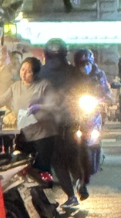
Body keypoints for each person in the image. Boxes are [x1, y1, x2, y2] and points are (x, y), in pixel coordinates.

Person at [37, 38, 86, 207]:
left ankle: (73, 193)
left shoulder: (42, 72)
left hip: (54, 123)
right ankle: (79, 184)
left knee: (59, 160)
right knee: (70, 156)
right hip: (66, 122)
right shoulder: (72, 72)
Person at [0, 56, 57, 171]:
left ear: (36, 73)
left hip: (42, 135)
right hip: (23, 134)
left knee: (41, 168)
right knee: (23, 168)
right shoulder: (15, 86)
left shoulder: (44, 86)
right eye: (22, 69)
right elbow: (1, 101)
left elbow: (54, 106)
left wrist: (39, 107)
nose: (24, 73)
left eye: (29, 71)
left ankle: (42, 188)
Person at [74, 48, 110, 185]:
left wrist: (105, 97)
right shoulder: (72, 75)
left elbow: (105, 90)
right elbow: (66, 90)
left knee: (97, 134)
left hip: (93, 110)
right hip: (76, 111)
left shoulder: (99, 74)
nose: (85, 66)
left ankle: (95, 160)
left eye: (87, 63)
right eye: (82, 63)